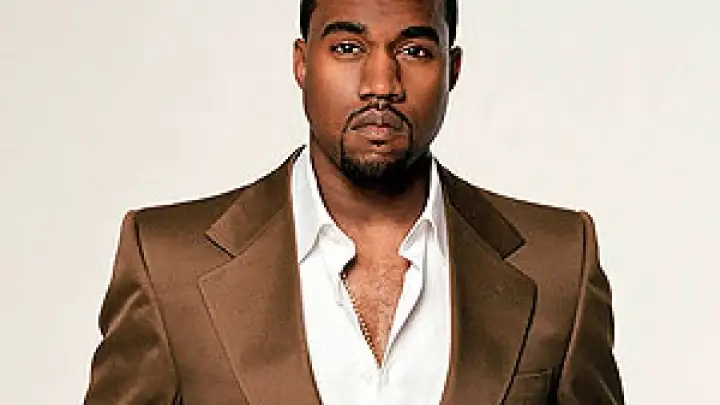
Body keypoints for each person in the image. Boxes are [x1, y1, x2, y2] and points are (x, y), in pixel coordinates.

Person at [84, 0, 625, 403]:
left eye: (414, 50)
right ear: (302, 63)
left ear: (452, 70)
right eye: (348, 47)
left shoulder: (558, 264)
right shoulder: (169, 264)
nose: (381, 84)